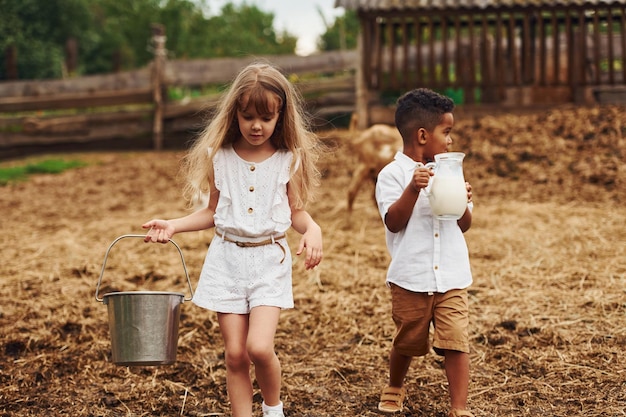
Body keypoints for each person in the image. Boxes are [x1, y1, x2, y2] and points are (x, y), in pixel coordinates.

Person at [142, 62, 324, 417]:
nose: (256, 125)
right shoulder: (220, 157)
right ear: (235, 114)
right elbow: (213, 212)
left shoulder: (289, 159)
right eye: (248, 116)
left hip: (270, 262)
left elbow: (296, 212)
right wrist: (173, 225)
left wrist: (313, 229)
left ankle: (273, 409)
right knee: (236, 353)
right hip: (226, 261)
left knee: (258, 347)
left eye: (266, 118)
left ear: (281, 116)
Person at [374, 88, 474, 417]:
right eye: (446, 132)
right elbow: (393, 221)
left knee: (456, 340)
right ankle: (395, 386)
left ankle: (458, 407)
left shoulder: (451, 173)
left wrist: (461, 199)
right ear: (422, 135)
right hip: (411, 278)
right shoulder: (391, 175)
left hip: (451, 276)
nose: (450, 140)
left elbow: (464, 224)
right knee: (408, 340)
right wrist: (413, 189)